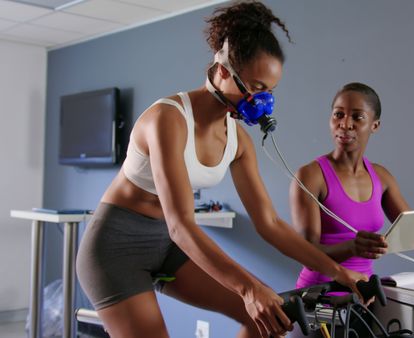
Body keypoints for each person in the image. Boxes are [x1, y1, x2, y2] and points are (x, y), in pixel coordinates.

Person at [76, 2, 365, 338]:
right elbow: (181, 225)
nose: (264, 101)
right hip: (115, 246)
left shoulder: (238, 141)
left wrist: (336, 271)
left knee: (268, 320)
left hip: (168, 245)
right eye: (257, 88)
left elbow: (269, 224)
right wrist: (248, 289)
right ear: (224, 70)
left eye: (270, 90)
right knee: (251, 300)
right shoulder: (167, 119)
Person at [290, 82, 414, 291]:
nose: (345, 124)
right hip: (319, 295)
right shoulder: (310, 176)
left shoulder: (381, 177)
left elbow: (412, 229)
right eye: (338, 114)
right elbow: (307, 255)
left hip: (364, 293)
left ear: (374, 125)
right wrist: (351, 248)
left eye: (357, 117)